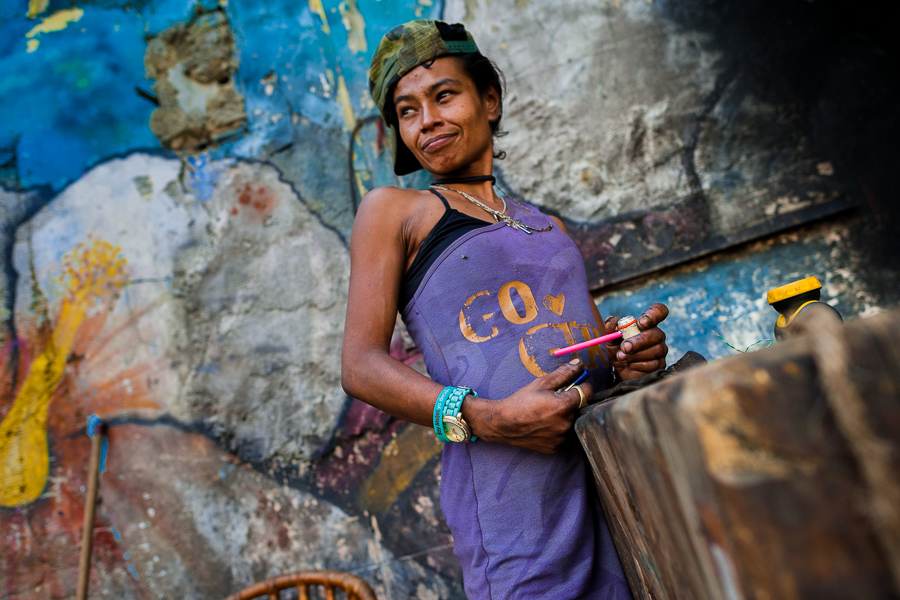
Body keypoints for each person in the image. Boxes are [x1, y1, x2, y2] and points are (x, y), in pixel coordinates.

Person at [342, 19, 668, 599]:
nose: (428, 121)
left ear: (488, 100)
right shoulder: (397, 212)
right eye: (408, 110)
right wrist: (489, 419)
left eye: (444, 95)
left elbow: (589, 352)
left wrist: (629, 355)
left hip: (608, 485)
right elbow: (361, 366)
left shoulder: (548, 225)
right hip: (514, 508)